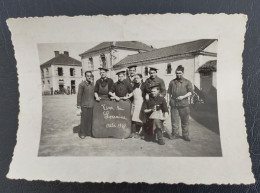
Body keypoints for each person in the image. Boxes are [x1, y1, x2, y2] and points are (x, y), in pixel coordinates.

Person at [167, 65, 193, 142]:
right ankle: (175, 134)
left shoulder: (187, 82)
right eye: (177, 73)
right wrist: (168, 102)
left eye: (180, 73)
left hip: (184, 104)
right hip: (174, 104)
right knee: (174, 121)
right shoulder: (172, 82)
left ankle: (185, 135)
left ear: (183, 73)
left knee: (185, 121)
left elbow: (191, 92)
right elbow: (169, 92)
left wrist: (183, 97)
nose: (178, 74)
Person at [77, 71, 95, 139]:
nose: (89, 77)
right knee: (84, 120)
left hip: (91, 105)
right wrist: (78, 105)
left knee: (90, 120)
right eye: (88, 75)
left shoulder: (93, 84)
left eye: (90, 75)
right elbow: (79, 95)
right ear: (85, 76)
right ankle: (82, 133)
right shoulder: (82, 84)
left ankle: (89, 132)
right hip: (84, 105)